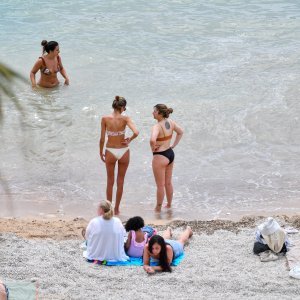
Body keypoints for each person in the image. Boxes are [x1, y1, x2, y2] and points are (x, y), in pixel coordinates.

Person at [99, 96, 139, 215]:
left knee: (110, 182)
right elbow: (136, 132)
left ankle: (109, 210)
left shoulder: (105, 119)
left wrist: (101, 151)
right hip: (124, 151)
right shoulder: (126, 119)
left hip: (110, 150)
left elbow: (102, 139)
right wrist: (129, 140)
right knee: (120, 181)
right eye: (124, 108)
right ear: (122, 107)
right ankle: (117, 209)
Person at [150, 104, 183, 212]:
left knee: (160, 185)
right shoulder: (171, 122)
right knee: (168, 182)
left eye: (154, 111)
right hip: (170, 153)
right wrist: (173, 145)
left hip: (160, 156)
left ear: (159, 113)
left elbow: (152, 140)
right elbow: (180, 132)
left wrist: (153, 148)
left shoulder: (157, 126)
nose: (152, 113)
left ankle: (158, 208)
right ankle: (169, 204)